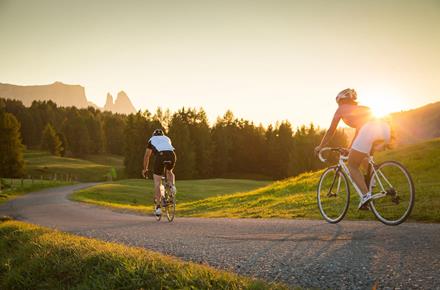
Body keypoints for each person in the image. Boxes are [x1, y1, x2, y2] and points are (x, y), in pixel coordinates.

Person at [314, 88, 391, 209]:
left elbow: (330, 131)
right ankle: (372, 181)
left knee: (352, 165)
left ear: (340, 100)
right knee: (363, 157)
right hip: (384, 127)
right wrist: (350, 148)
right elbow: (359, 132)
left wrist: (321, 146)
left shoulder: (341, 109)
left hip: (369, 129)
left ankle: (366, 196)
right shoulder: (360, 109)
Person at [142, 129, 177, 216]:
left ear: (153, 135)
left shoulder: (151, 139)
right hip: (172, 155)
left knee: (157, 183)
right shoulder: (167, 138)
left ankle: (158, 208)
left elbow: (147, 156)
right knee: (169, 171)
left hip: (161, 156)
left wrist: (145, 169)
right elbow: (167, 148)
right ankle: (172, 187)